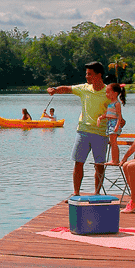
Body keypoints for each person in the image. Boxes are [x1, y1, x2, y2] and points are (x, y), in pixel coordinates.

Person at [46, 61, 110, 198]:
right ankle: (76, 193)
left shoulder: (108, 92)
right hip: (83, 132)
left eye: (90, 74)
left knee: (99, 165)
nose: (87, 77)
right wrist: (55, 89)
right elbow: (67, 89)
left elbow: (115, 110)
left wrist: (119, 121)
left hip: (101, 133)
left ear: (99, 75)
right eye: (86, 74)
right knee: (78, 163)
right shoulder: (84, 88)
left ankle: (97, 193)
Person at [103, 83, 127, 165]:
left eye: (108, 92)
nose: (106, 94)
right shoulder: (110, 103)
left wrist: (117, 126)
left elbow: (119, 116)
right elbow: (107, 114)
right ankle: (114, 159)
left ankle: (115, 160)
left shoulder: (116, 104)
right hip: (109, 123)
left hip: (114, 124)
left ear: (115, 93)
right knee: (112, 142)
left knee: (113, 143)